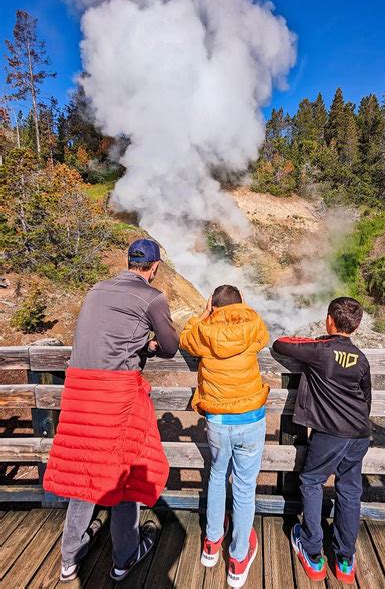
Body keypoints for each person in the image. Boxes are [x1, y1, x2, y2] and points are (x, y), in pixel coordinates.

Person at [43, 238, 179, 583]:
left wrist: (135, 342)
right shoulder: (152, 297)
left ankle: (69, 560)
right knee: (125, 474)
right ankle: (123, 558)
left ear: (128, 261)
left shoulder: (97, 289)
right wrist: (146, 344)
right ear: (155, 266)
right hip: (115, 395)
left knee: (83, 474)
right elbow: (170, 346)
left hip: (79, 392)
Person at [273, 297, 371, 585]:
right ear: (357, 326)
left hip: (331, 433)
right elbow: (366, 397)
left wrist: (314, 339)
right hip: (359, 434)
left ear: (329, 320)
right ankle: (344, 559)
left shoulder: (320, 350)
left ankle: (313, 552)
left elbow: (281, 343)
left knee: (312, 481)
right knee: (350, 491)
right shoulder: (361, 358)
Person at [179, 285, 269, 588]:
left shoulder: (204, 333)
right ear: (240, 306)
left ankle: (211, 545)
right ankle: (238, 560)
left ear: (213, 307)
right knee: (244, 487)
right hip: (251, 418)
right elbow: (264, 335)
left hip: (217, 419)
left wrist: (203, 314)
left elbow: (184, 338)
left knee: (217, 476)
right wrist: (242, 309)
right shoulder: (252, 325)